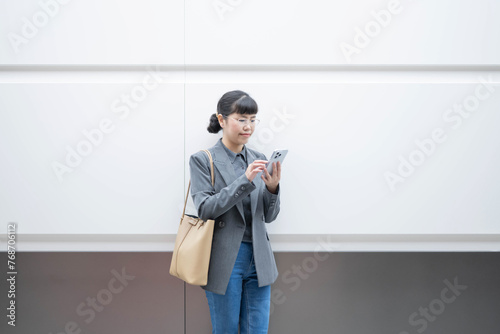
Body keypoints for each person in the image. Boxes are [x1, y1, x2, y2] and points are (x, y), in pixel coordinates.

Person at [189, 90, 282, 333]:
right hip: (225, 258)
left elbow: (269, 217)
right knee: (226, 329)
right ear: (222, 120)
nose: (248, 126)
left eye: (252, 119)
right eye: (241, 119)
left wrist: (272, 189)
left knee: (257, 330)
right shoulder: (202, 160)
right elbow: (205, 209)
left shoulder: (259, 158)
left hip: (259, 258)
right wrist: (245, 180)